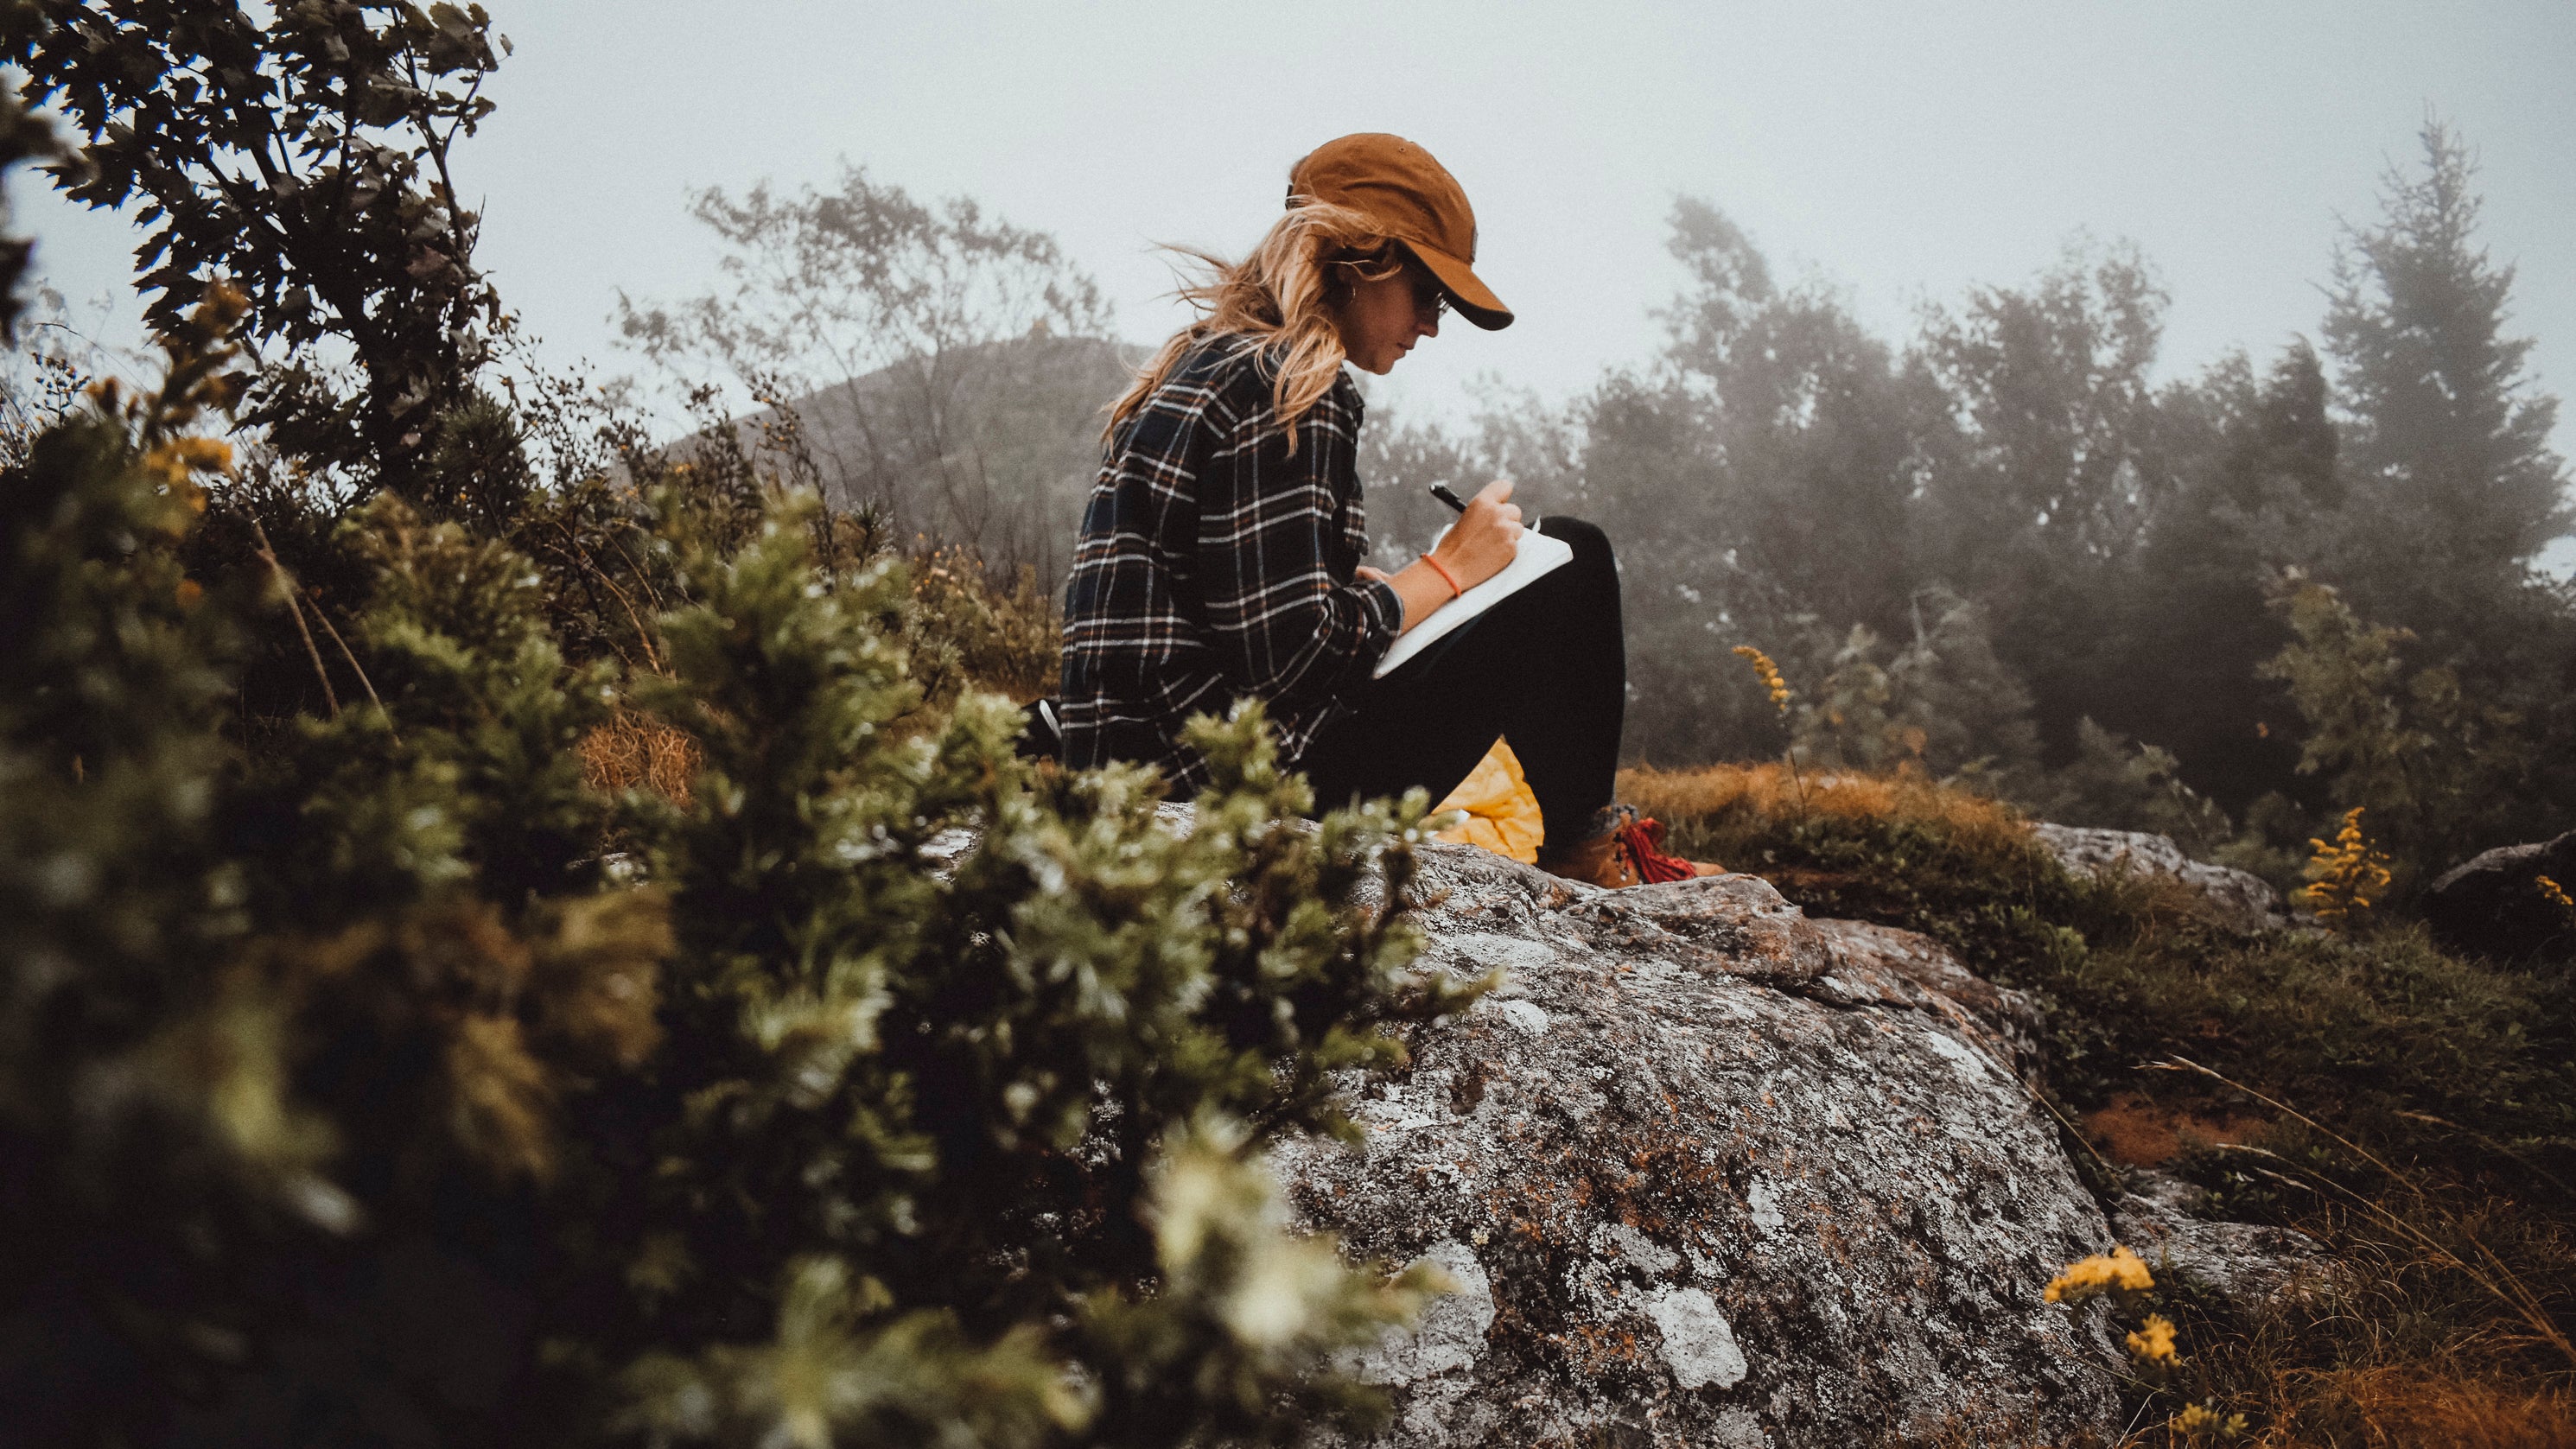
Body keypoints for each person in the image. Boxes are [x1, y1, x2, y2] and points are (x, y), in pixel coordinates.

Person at [1057, 133, 1712, 888]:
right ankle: (1583, 859)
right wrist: (1447, 570)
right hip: (1234, 788)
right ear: (1357, 259)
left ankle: (1582, 852)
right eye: (1427, 293)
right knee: (1572, 557)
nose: (1433, 324)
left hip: (1147, 774)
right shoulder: (1293, 385)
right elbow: (1293, 658)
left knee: (1527, 567)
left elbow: (1224, 621)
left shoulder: (1200, 365)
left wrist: (1367, 592)